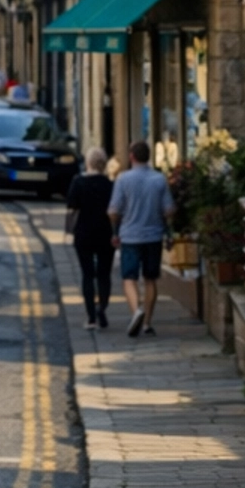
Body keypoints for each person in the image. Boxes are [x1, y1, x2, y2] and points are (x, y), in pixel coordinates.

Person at [109, 137, 175, 338]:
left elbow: (113, 211)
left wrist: (114, 231)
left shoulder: (123, 179)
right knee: (150, 279)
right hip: (153, 237)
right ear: (148, 157)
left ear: (131, 157)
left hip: (130, 237)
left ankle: (136, 311)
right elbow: (169, 210)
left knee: (129, 278)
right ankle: (147, 323)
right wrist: (169, 234)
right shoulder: (159, 179)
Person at [65, 147, 116, 329]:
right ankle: (102, 308)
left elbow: (71, 208)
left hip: (84, 233)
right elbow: (114, 212)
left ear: (88, 162)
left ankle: (91, 318)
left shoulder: (78, 182)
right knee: (104, 274)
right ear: (103, 164)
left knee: (88, 275)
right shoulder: (110, 185)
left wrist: (68, 230)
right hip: (105, 233)